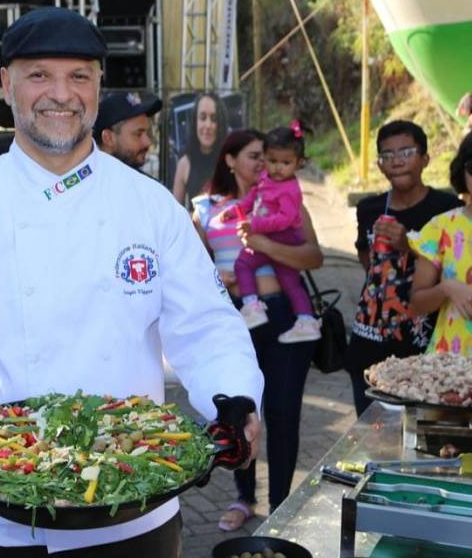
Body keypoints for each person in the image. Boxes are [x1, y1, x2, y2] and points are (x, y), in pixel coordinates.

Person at [0, 6, 264, 557]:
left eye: (79, 76)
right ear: (6, 84)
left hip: (137, 508)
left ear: (98, 87)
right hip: (3, 513)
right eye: (39, 74)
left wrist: (233, 399)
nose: (60, 94)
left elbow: (208, 325)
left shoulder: (150, 207)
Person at [191, 129, 323, 530]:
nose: (263, 164)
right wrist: (220, 277)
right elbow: (190, 270)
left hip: (283, 317)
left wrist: (265, 245)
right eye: (254, 156)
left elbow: (314, 256)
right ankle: (244, 498)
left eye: (267, 156)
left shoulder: (286, 198)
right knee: (238, 410)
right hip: (235, 318)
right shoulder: (206, 208)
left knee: (283, 414)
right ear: (230, 160)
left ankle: (281, 505)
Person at [344, 120, 463, 416]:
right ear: (379, 164)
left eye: (406, 152)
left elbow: (453, 267)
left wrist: (407, 246)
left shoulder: (446, 208)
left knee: (415, 439)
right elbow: (367, 263)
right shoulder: (369, 208)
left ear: (425, 159)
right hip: (369, 341)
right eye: (387, 155)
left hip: (423, 349)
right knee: (371, 436)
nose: (396, 160)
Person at [219, 121, 321, 343]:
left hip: (282, 235)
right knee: (289, 281)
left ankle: (252, 306)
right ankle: (306, 320)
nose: (277, 168)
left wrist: (254, 226)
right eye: (272, 161)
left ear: (299, 163)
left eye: (285, 163)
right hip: (272, 237)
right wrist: (235, 212)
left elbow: (284, 220)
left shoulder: (290, 190)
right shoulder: (267, 179)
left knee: (244, 263)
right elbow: (254, 197)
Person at [409, 132, 472, 356]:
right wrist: (448, 288)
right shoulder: (441, 227)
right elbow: (417, 303)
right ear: (462, 172)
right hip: (449, 368)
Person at [173, 91, 229, 206]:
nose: (208, 125)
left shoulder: (230, 161)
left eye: (214, 119)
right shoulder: (184, 164)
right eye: (202, 118)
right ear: (195, 121)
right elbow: (176, 214)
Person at [93, 91, 162, 170]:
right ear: (108, 138)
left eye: (147, 133)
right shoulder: (88, 180)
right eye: (138, 134)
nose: (148, 142)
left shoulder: (143, 181)